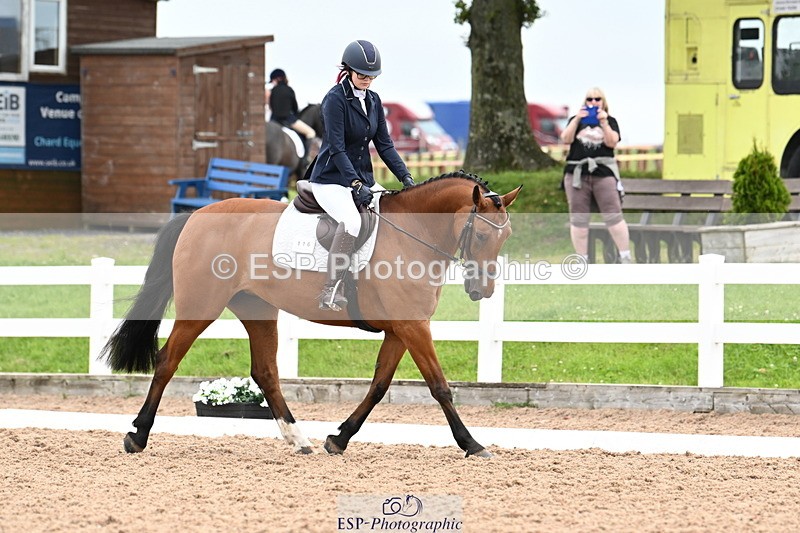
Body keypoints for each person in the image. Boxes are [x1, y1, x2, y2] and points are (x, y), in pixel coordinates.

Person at [308, 39, 415, 311]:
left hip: (362, 179)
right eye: (362, 75)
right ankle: (331, 289)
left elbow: (385, 145)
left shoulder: (374, 100)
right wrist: (354, 183)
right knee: (352, 222)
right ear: (348, 70)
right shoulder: (334, 100)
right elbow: (336, 147)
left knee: (392, 212)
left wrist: (406, 178)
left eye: (372, 76)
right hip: (331, 179)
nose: (367, 80)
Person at [560, 87, 632, 264]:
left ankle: (626, 257)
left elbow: (612, 142)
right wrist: (577, 119)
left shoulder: (611, 121)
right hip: (577, 174)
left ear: (603, 101)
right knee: (578, 219)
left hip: (603, 173)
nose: (593, 103)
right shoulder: (575, 121)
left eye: (597, 99)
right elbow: (566, 138)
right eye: (589, 99)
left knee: (613, 216)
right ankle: (582, 259)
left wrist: (604, 123)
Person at [268, 68, 316, 162]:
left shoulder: (272, 91)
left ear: (277, 79)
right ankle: (305, 160)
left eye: (273, 80)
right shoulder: (289, 90)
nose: (272, 83)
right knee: (311, 133)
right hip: (288, 120)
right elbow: (295, 108)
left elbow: (272, 107)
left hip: (274, 120)